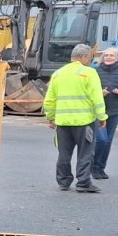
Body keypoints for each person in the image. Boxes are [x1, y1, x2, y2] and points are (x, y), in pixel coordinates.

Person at [44, 43, 108, 193]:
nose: (90, 61)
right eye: (90, 58)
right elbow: (97, 97)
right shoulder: (89, 73)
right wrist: (102, 117)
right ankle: (83, 183)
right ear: (85, 57)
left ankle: (63, 181)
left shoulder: (58, 74)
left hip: (63, 122)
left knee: (64, 153)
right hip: (84, 121)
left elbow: (49, 99)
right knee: (85, 153)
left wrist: (51, 117)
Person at [92, 47, 118, 179]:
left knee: (108, 141)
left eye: (112, 56)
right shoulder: (95, 71)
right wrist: (100, 94)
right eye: (106, 55)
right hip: (98, 111)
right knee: (101, 140)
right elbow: (89, 91)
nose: (108, 57)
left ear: (117, 58)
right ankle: (93, 166)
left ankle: (100, 167)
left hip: (114, 110)